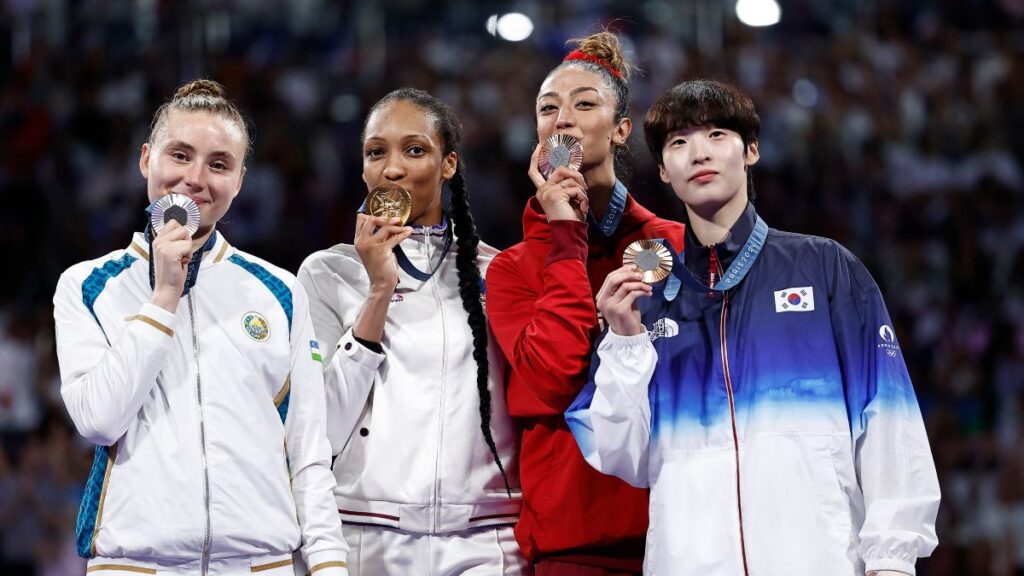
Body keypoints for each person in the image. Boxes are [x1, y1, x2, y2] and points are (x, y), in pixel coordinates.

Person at [567, 79, 941, 575]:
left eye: (717, 135)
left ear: (752, 151)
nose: (698, 153)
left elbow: (889, 420)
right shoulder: (646, 297)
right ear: (662, 170)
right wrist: (625, 342)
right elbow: (626, 458)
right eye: (679, 143)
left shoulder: (823, 267)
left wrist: (891, 562)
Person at [53, 80, 349, 576]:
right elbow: (98, 420)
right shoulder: (86, 286)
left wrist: (328, 565)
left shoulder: (278, 291)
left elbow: (308, 449)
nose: (195, 178)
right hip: (136, 566)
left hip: (262, 565)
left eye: (218, 164)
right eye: (180, 155)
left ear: (239, 180)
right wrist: (164, 295)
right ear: (147, 159)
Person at [297, 88, 528, 575]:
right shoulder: (328, 273)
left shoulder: (501, 272)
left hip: (487, 541)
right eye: (376, 152)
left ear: (448, 165)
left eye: (415, 150)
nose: (393, 168)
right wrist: (379, 291)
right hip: (367, 536)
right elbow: (319, 427)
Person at [485, 32, 684, 575]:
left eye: (584, 104)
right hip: (573, 548)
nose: (562, 120)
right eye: (547, 108)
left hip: (679, 534)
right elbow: (555, 376)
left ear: (621, 129)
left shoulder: (672, 246)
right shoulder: (511, 270)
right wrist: (565, 234)